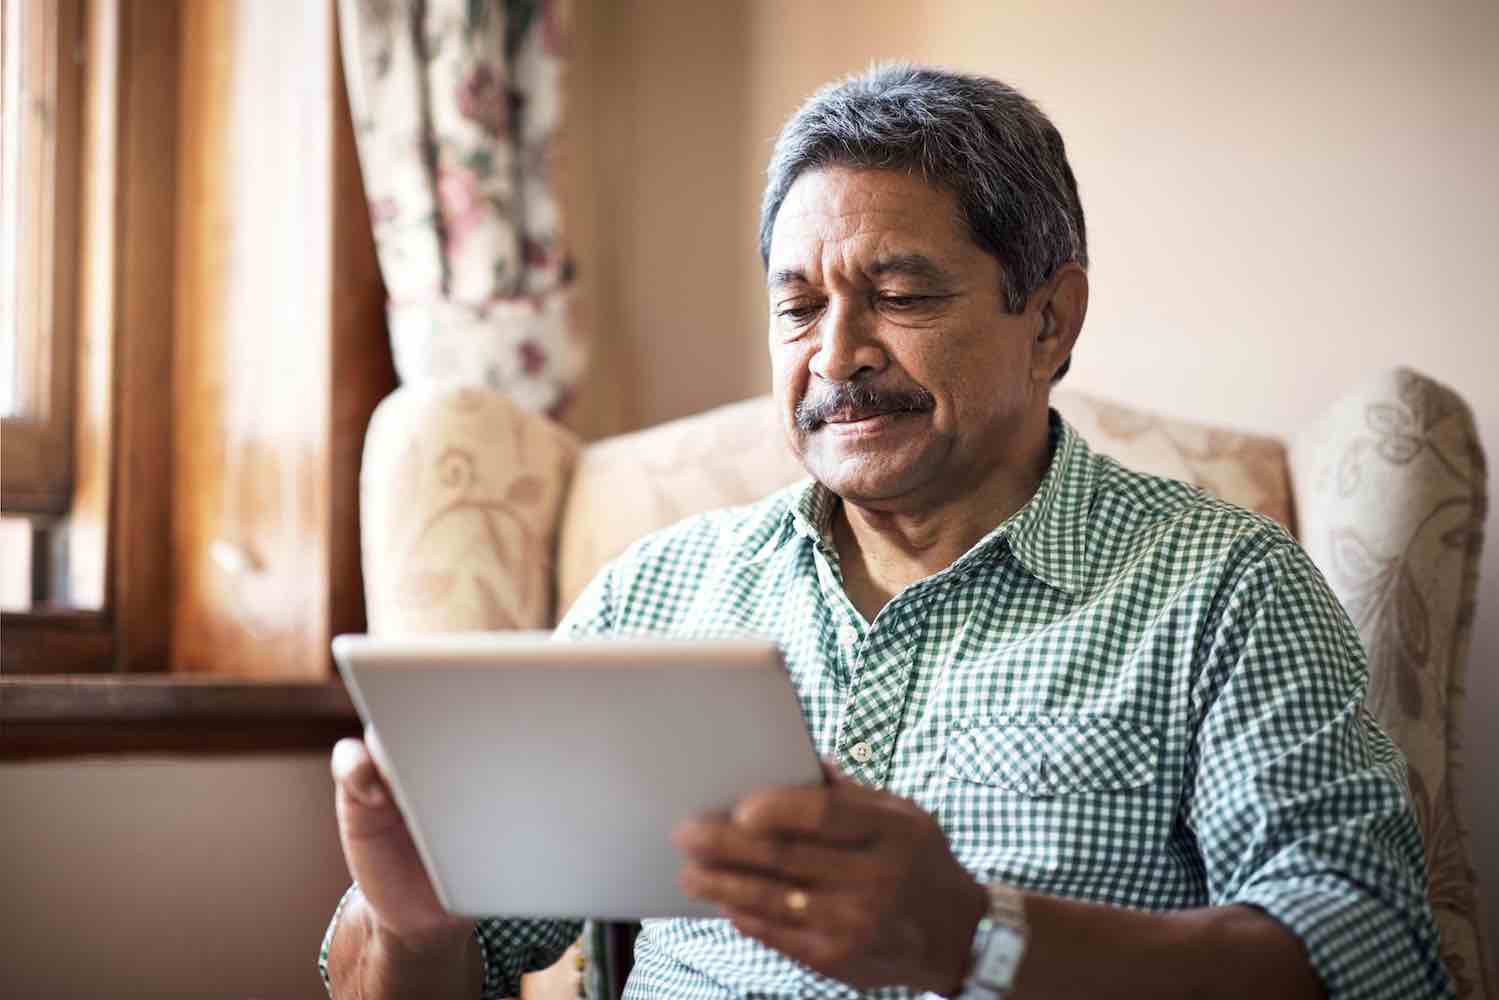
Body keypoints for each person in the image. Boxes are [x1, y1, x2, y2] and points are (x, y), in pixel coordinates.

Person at [320, 65, 1454, 1000]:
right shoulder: (660, 592)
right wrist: (413, 929)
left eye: (900, 296)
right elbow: (424, 968)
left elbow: (1375, 957)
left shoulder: (1225, 588)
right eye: (797, 306)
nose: (836, 353)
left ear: (1048, 318)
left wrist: (978, 938)